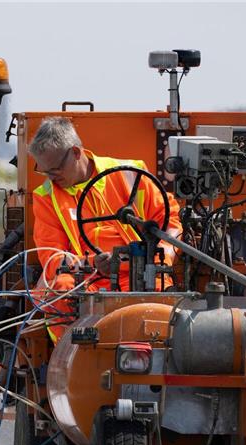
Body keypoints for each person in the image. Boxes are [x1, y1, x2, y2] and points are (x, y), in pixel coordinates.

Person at [27, 117, 182, 340]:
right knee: (59, 290)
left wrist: (161, 260)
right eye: (45, 172)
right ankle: (75, 362)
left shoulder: (131, 173)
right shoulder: (46, 197)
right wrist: (92, 264)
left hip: (141, 272)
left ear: (76, 153)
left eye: (55, 169)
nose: (52, 178)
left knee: (160, 290)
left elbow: (169, 222)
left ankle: (156, 353)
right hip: (87, 278)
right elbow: (52, 258)